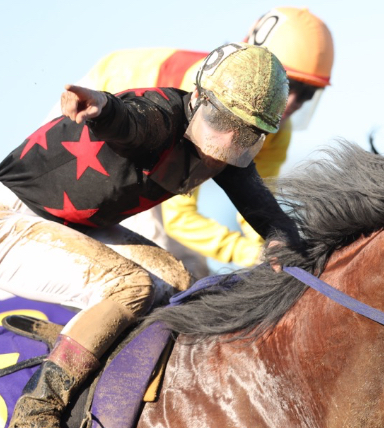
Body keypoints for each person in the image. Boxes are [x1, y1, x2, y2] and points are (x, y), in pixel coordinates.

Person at [0, 42, 299, 428]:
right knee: (131, 286)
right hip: (9, 214)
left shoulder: (227, 150)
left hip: (67, 222)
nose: (224, 145)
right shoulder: (161, 115)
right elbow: (131, 121)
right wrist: (102, 106)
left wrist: (291, 250)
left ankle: (95, 364)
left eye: (246, 133)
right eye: (219, 121)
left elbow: (267, 214)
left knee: (181, 285)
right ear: (197, 98)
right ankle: (33, 416)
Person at [54, 6, 334, 277]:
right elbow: (178, 219)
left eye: (308, 93)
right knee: (168, 271)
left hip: (139, 139)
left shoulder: (276, 130)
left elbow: (258, 203)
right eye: (289, 85)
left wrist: (275, 246)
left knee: (191, 271)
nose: (292, 103)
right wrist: (251, 255)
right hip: (96, 110)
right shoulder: (208, 96)